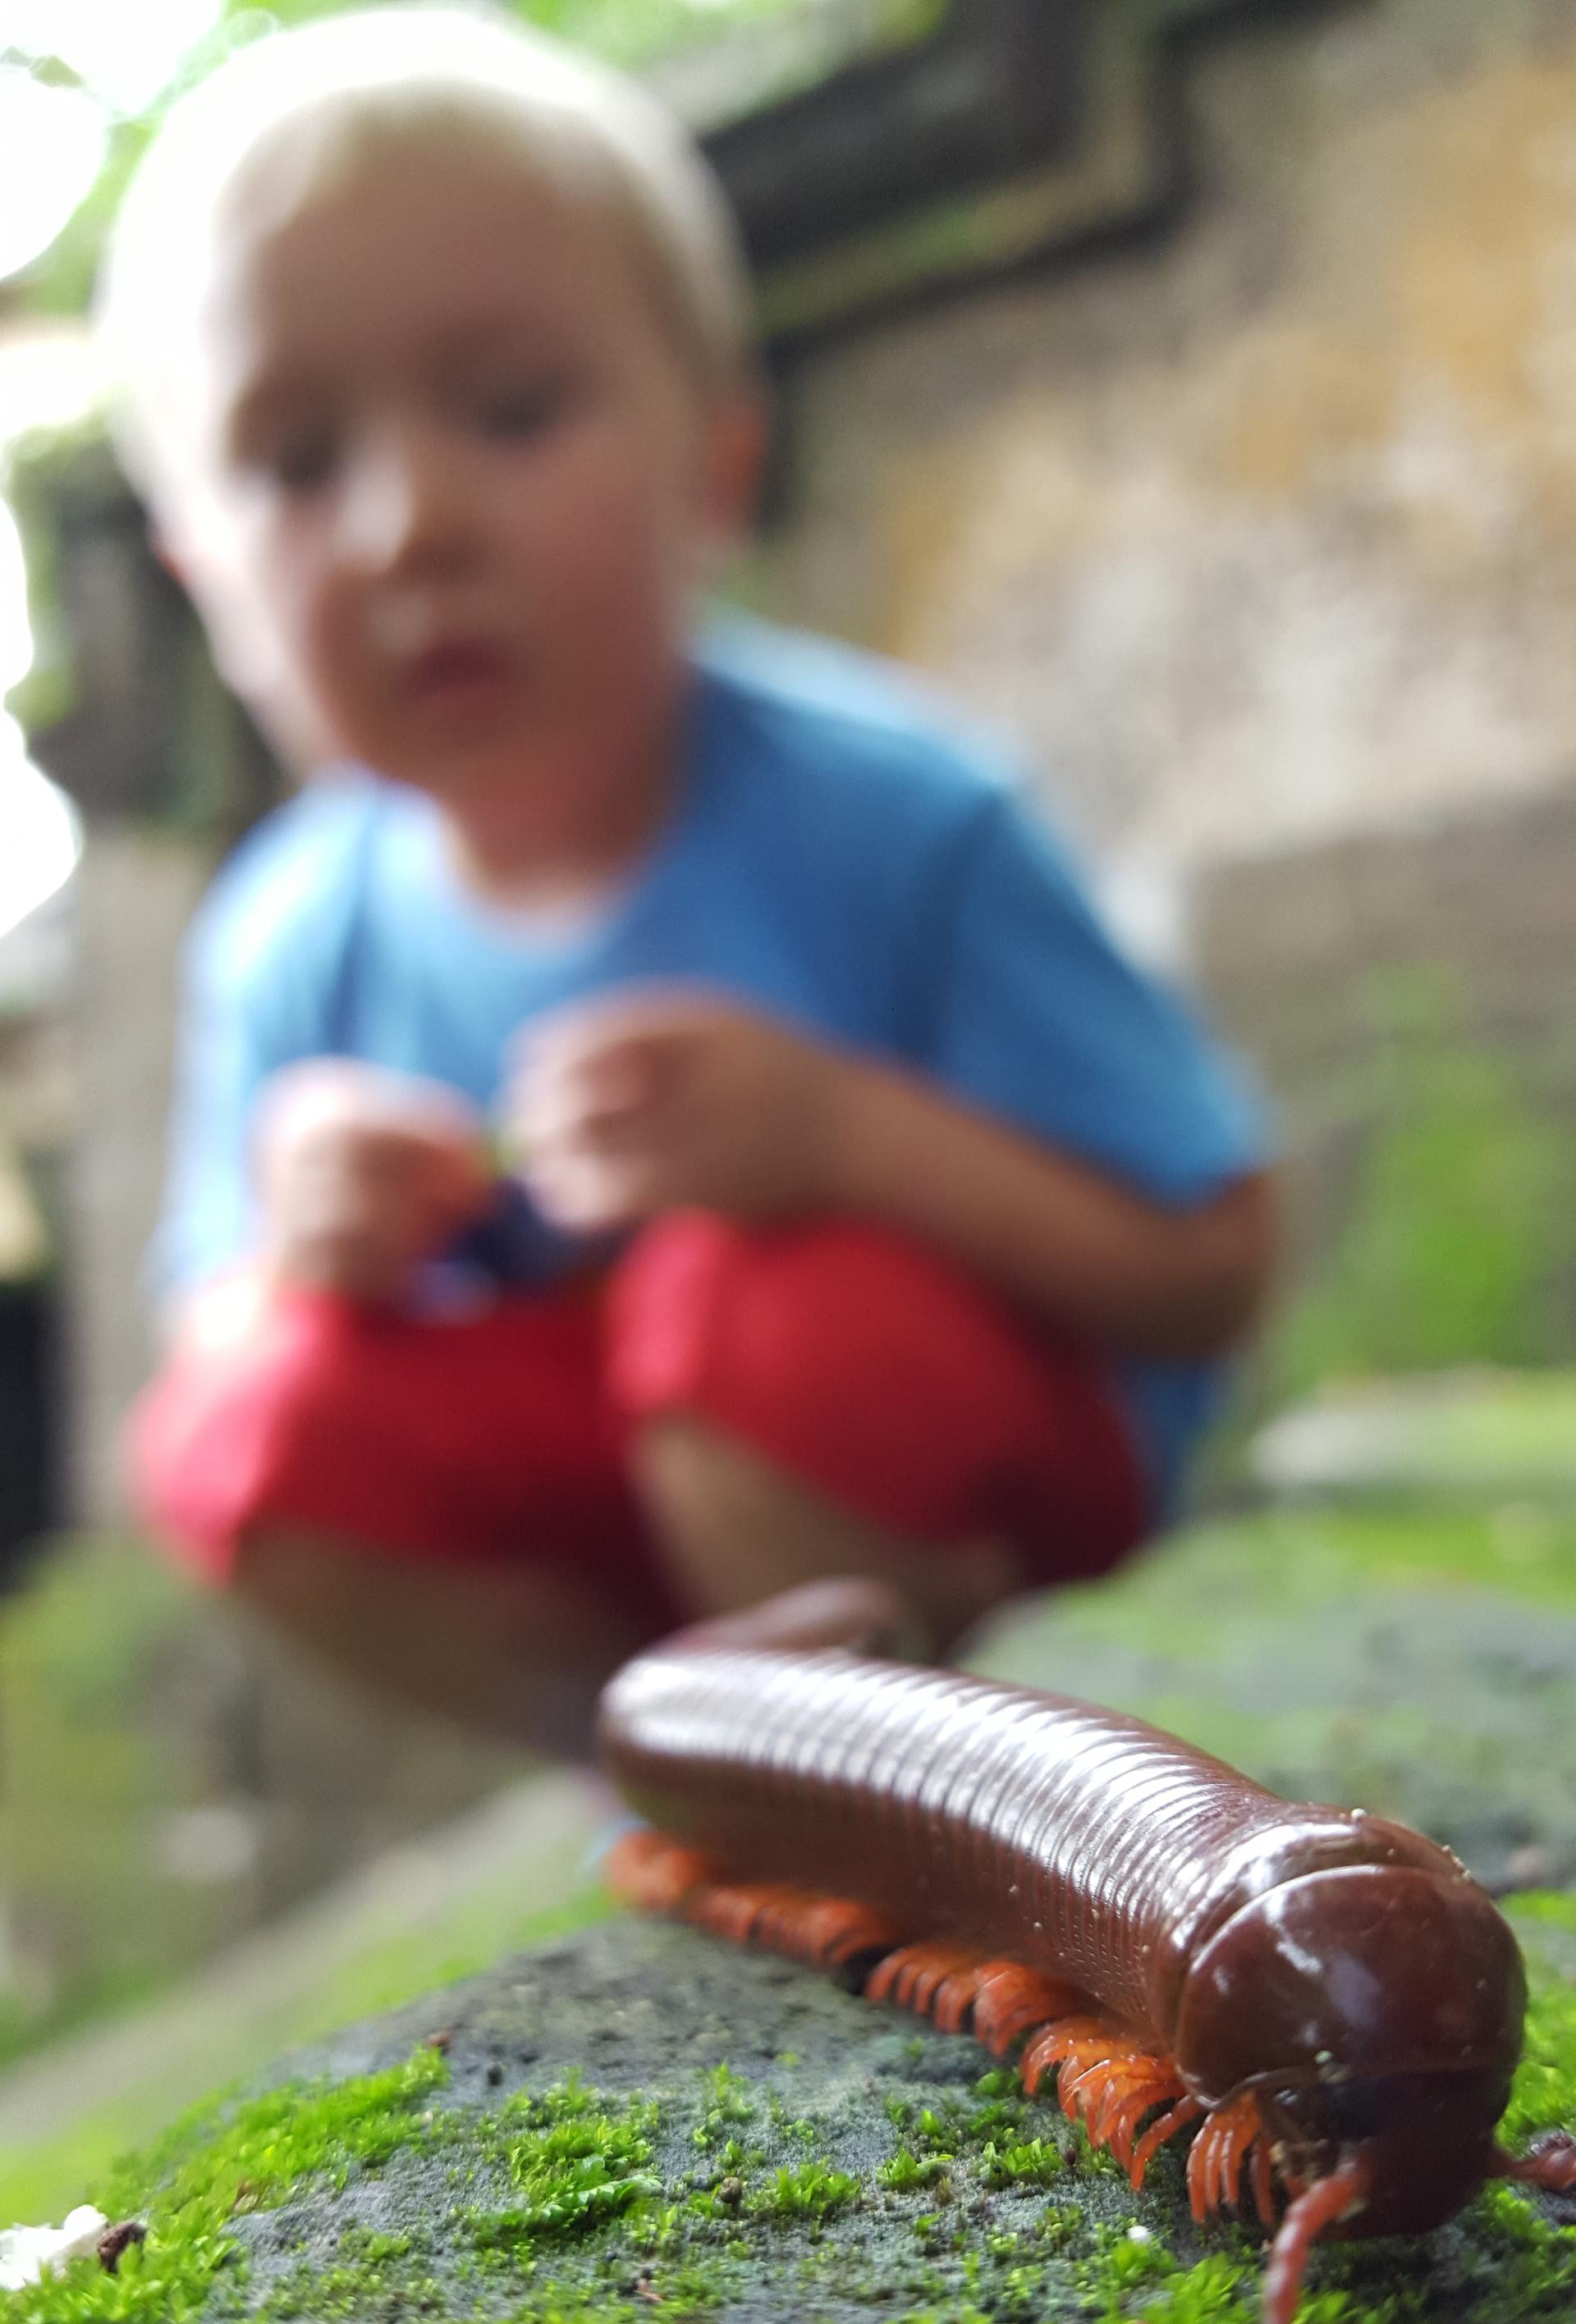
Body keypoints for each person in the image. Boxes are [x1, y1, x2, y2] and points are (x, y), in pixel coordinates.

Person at [100, 6, 1276, 1755]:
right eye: (296, 462)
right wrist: (300, 1249)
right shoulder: (286, 932)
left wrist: (845, 1143)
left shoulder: (901, 815)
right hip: (629, 1537)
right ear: (208, 584)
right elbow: (221, 1350)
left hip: (975, 1496)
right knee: (239, 1428)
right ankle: (668, 1763)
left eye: (509, 408)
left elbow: (1213, 1255)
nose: (410, 521)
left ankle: (933, 1764)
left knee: (750, 1309)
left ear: (716, 462)